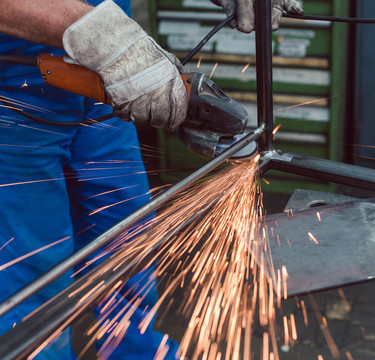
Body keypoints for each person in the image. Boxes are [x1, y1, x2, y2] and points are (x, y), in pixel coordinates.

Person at [0, 0, 302, 358]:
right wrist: (97, 33)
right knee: (33, 272)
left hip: (104, 82)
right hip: (15, 92)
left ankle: (135, 352)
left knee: (128, 242)